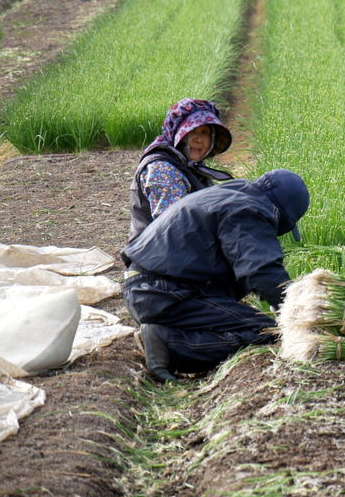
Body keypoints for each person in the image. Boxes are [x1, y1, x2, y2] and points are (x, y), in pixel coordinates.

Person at [121, 169, 309, 382]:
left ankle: (165, 333)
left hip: (148, 287)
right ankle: (168, 344)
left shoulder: (231, 196)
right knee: (262, 331)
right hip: (163, 292)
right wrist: (299, 311)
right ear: (282, 214)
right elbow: (260, 270)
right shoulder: (249, 210)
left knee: (242, 320)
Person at [127, 98, 234, 243]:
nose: (199, 139)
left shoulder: (192, 166)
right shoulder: (164, 170)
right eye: (192, 131)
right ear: (178, 134)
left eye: (205, 132)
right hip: (159, 253)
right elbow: (173, 230)